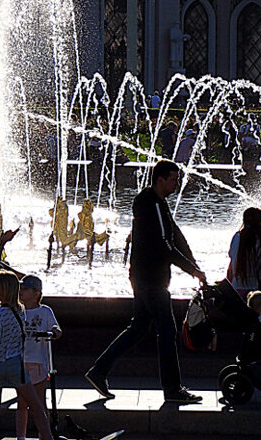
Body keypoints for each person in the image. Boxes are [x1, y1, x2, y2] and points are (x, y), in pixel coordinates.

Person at [85, 159, 207, 405]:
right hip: (150, 278)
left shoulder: (156, 204)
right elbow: (166, 245)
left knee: (139, 327)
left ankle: (98, 372)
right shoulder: (150, 203)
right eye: (173, 179)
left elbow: (175, 236)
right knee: (167, 330)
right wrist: (192, 270)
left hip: (145, 276)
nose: (176, 184)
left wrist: (193, 264)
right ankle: (172, 389)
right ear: (160, 179)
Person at [0, 271, 55, 440]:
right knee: (36, 406)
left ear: (4, 289)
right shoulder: (20, 311)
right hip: (16, 364)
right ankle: (48, 437)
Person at [17, 274, 61, 440]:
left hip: (38, 362)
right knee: (22, 402)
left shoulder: (44, 311)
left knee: (39, 402)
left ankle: (44, 434)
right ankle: (20, 436)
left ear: (36, 293)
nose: (21, 292)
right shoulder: (17, 310)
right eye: (20, 288)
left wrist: (55, 331)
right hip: (21, 361)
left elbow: (55, 326)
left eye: (25, 289)